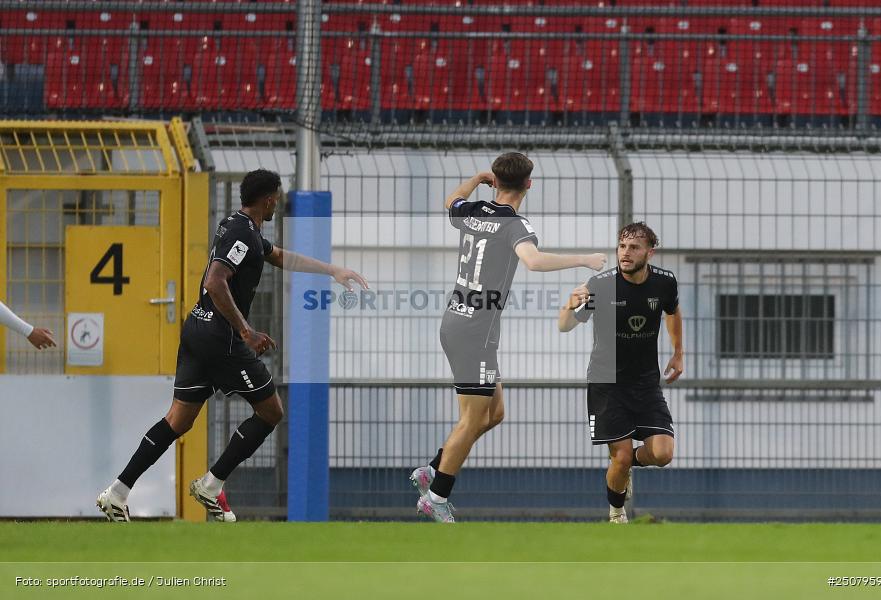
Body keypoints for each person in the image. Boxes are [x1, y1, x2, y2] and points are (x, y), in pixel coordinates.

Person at [97, 169, 368, 522]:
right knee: (271, 412)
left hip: (198, 330)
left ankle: (117, 493)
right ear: (269, 198)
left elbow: (280, 256)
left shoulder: (242, 227)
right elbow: (215, 281)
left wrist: (332, 270)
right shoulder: (243, 232)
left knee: (178, 420)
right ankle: (211, 485)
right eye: (276, 198)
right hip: (222, 339)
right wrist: (245, 331)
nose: (277, 204)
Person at [410, 152, 607, 523]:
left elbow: (450, 201)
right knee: (471, 419)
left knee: (494, 413)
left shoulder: (474, 212)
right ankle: (436, 496)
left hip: (460, 322)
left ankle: (434, 468)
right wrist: (583, 259)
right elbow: (532, 261)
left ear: (495, 182)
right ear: (529, 184)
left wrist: (474, 178)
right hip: (475, 332)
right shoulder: (515, 224)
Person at [558, 222, 683, 524]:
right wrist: (569, 304)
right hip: (607, 381)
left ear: (649, 252)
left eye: (634, 247)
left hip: (645, 383)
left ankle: (624, 467)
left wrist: (678, 353)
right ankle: (616, 514)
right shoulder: (600, 285)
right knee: (622, 455)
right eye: (622, 246)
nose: (625, 253)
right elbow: (565, 325)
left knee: (663, 454)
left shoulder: (665, 283)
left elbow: (672, 312)